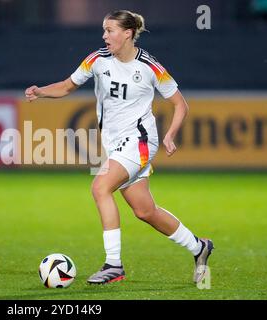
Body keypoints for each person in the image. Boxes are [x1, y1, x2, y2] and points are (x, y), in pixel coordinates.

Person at [25, 10, 213, 285]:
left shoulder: (150, 67)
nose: (104, 36)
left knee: (100, 187)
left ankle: (114, 264)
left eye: (110, 30)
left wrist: (171, 134)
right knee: (145, 211)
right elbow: (66, 87)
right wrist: (41, 91)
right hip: (116, 146)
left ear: (127, 34)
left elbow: (180, 104)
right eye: (104, 30)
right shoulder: (97, 60)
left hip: (139, 141)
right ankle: (199, 247)